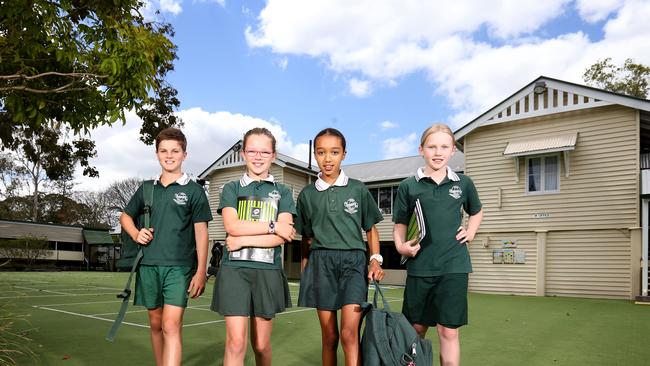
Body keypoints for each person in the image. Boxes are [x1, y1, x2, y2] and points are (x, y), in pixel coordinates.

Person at [120, 127, 212, 366]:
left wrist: (201, 271)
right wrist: (136, 233)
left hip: (179, 268)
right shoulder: (146, 188)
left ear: (184, 154)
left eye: (175, 151)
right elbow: (125, 217)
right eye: (164, 151)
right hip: (149, 266)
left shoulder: (194, 191)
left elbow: (202, 233)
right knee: (156, 324)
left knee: (171, 325)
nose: (169, 155)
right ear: (157, 153)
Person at [393, 123, 483, 366]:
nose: (438, 152)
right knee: (415, 330)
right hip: (420, 267)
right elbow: (400, 224)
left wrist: (471, 231)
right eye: (432, 146)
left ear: (453, 150)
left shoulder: (463, 183)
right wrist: (401, 247)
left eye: (444, 146)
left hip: (453, 267)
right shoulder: (408, 186)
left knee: (449, 331)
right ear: (421, 149)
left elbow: (477, 211)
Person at [296, 127, 385, 366]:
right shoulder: (306, 195)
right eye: (321, 152)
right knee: (330, 336)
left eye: (334, 152)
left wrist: (375, 259)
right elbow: (306, 237)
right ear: (315, 154)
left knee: (348, 333)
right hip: (321, 265)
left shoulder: (357, 188)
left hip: (353, 264)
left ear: (344, 154)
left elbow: (370, 228)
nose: (327, 158)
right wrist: (306, 266)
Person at [211, 127, 296, 366]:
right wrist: (272, 225)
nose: (258, 156)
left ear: (273, 155)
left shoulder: (283, 192)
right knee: (236, 343)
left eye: (264, 151)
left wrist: (243, 240)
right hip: (234, 272)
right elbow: (233, 226)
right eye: (252, 151)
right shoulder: (231, 188)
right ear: (242, 154)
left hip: (267, 272)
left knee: (260, 345)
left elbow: (282, 237)